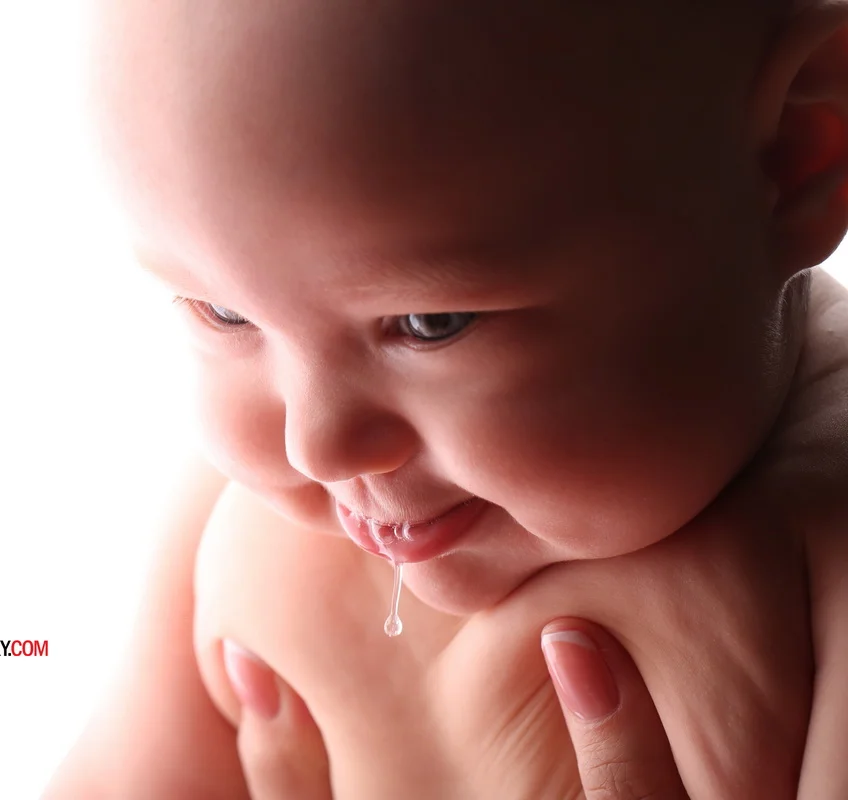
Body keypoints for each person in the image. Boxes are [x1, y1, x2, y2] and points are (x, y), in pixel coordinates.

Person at [47, 0, 848, 796]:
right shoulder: (223, 531)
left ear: (796, 156)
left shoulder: (824, 575)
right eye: (225, 313)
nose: (314, 445)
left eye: (432, 323)